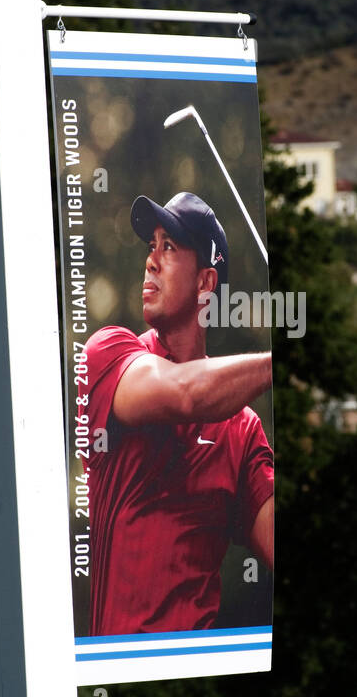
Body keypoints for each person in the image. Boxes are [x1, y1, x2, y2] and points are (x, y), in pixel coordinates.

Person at [80, 191, 274, 636]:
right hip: (120, 672)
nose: (151, 260)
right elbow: (186, 395)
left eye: (169, 246)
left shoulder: (243, 432)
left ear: (206, 283)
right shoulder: (108, 354)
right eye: (152, 245)